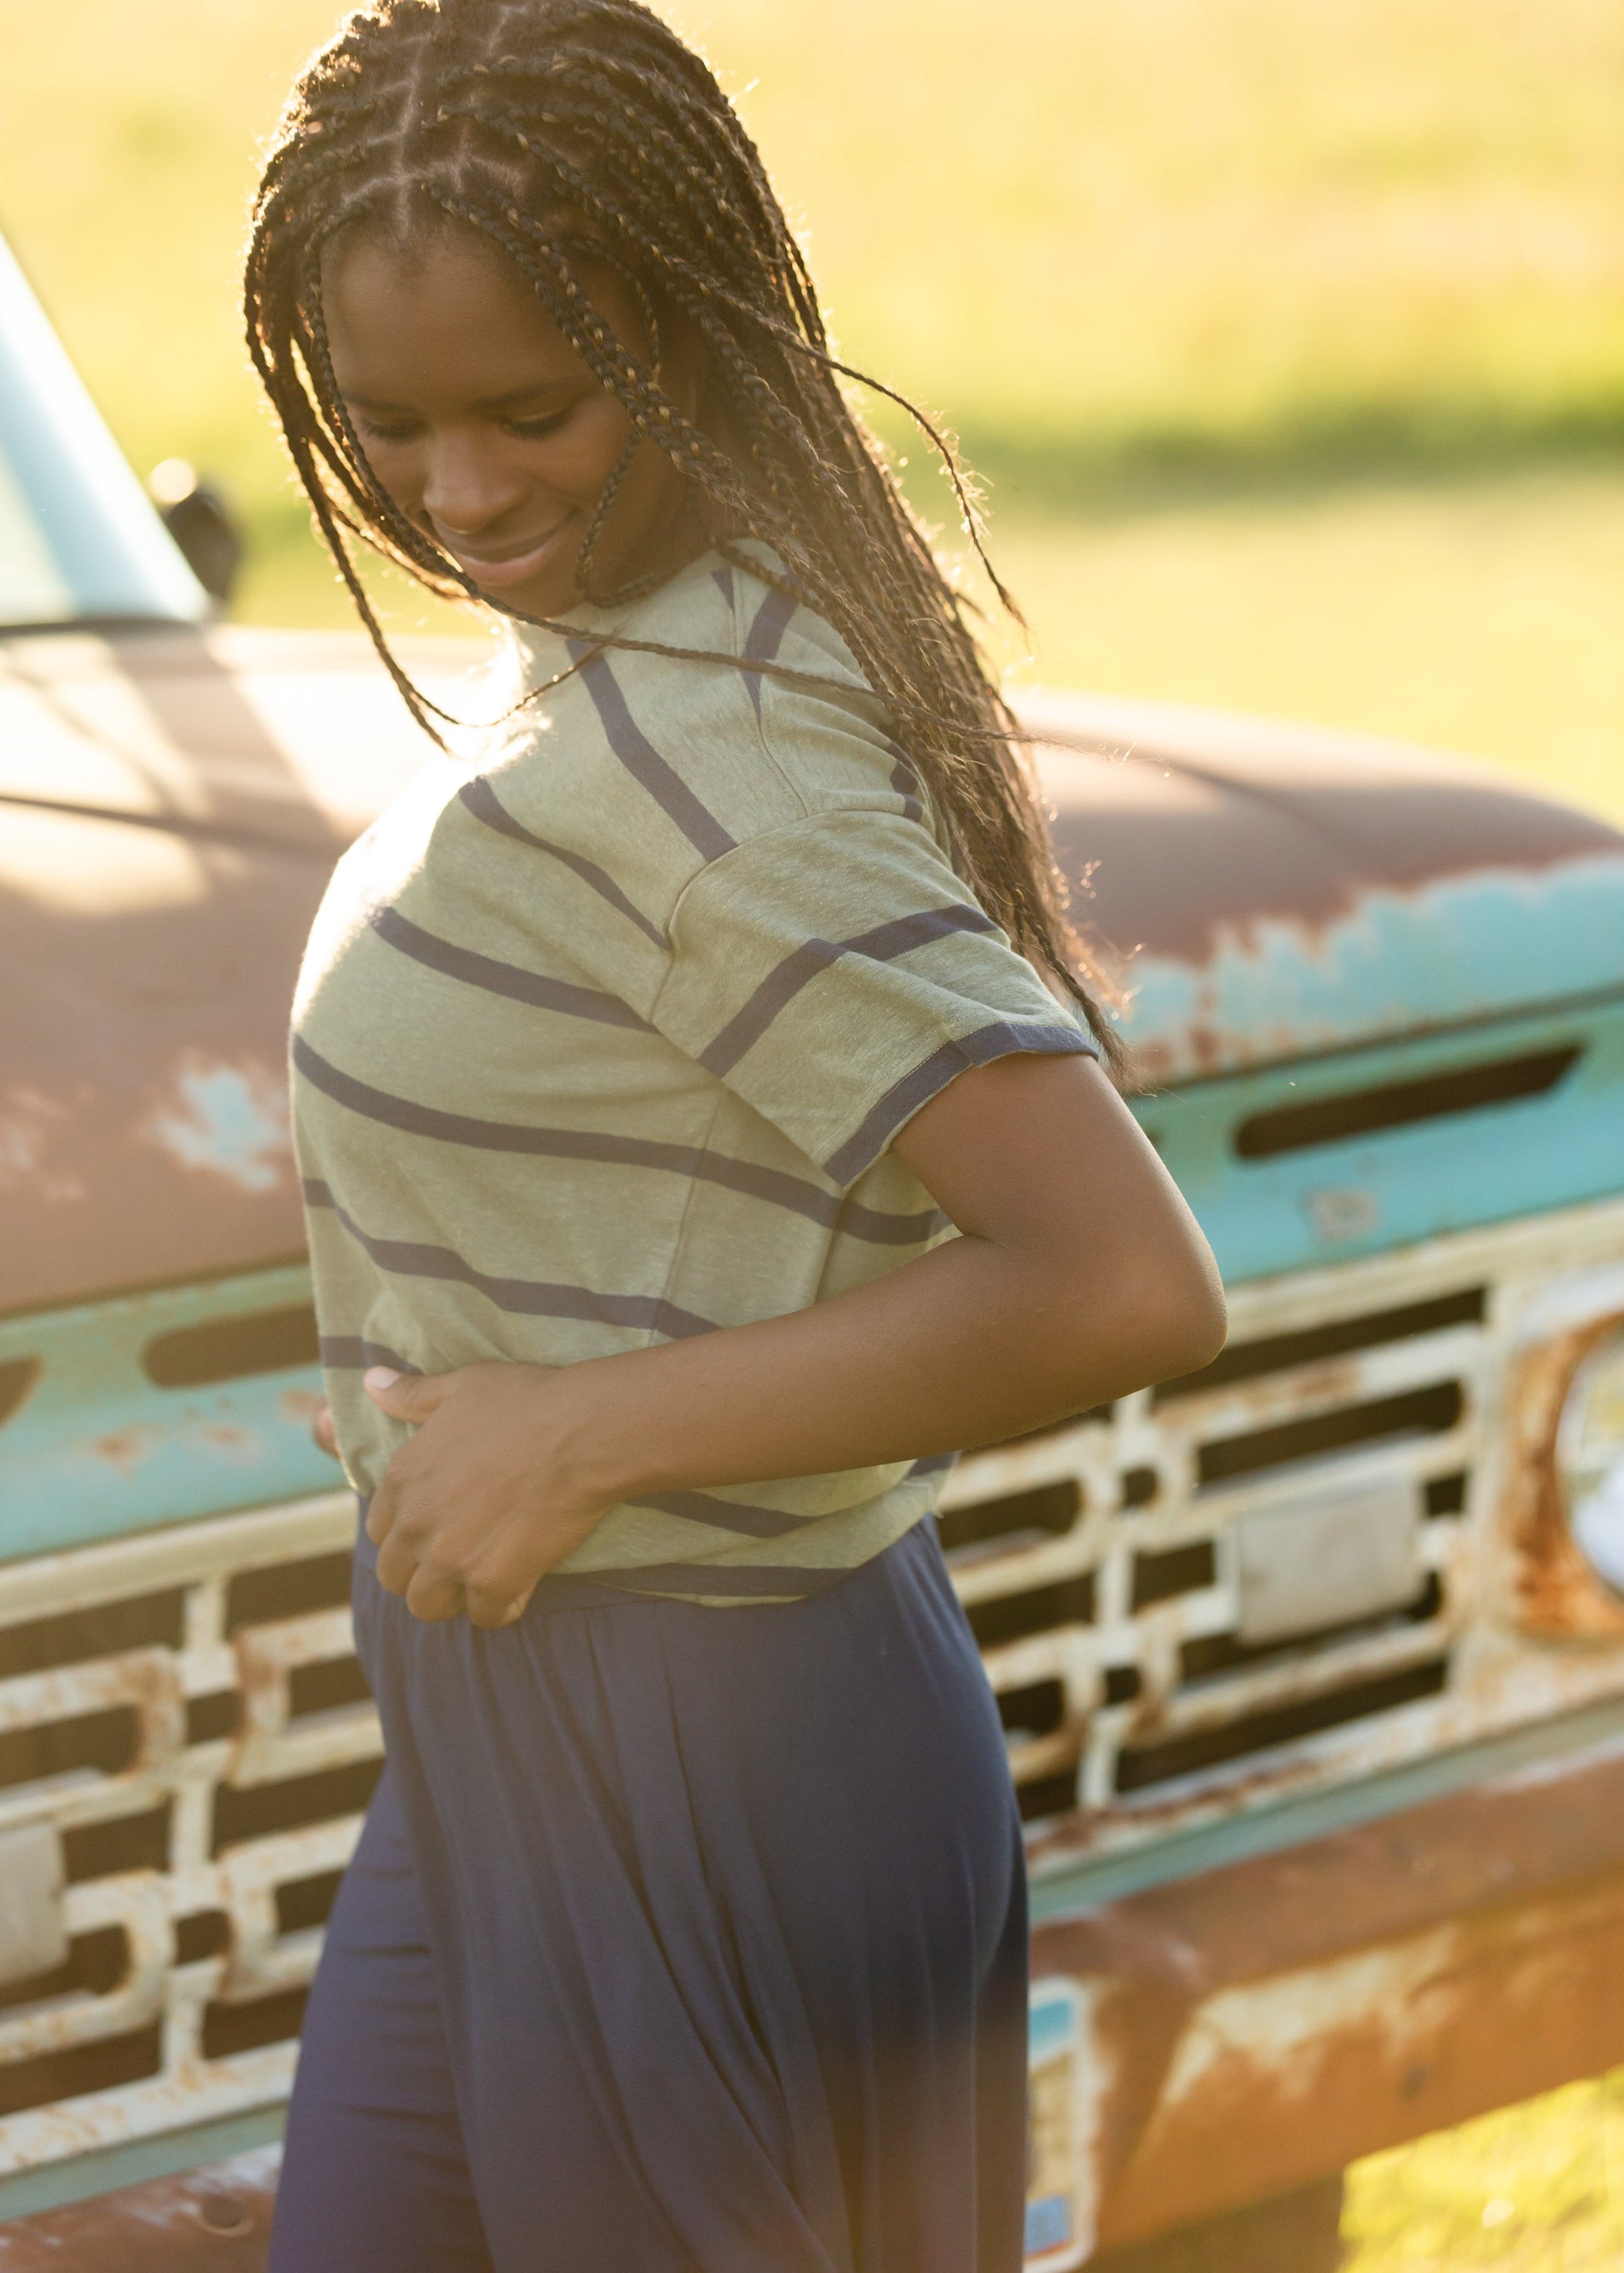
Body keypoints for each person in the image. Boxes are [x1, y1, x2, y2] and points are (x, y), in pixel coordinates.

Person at [246, 4, 1225, 2267]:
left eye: (529, 408)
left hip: (703, 1727)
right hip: (516, 1732)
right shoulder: (630, 648)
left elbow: (1118, 1278)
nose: (457, 493)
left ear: (683, 336)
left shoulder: (718, 764)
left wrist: (581, 1434)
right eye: (385, 424)